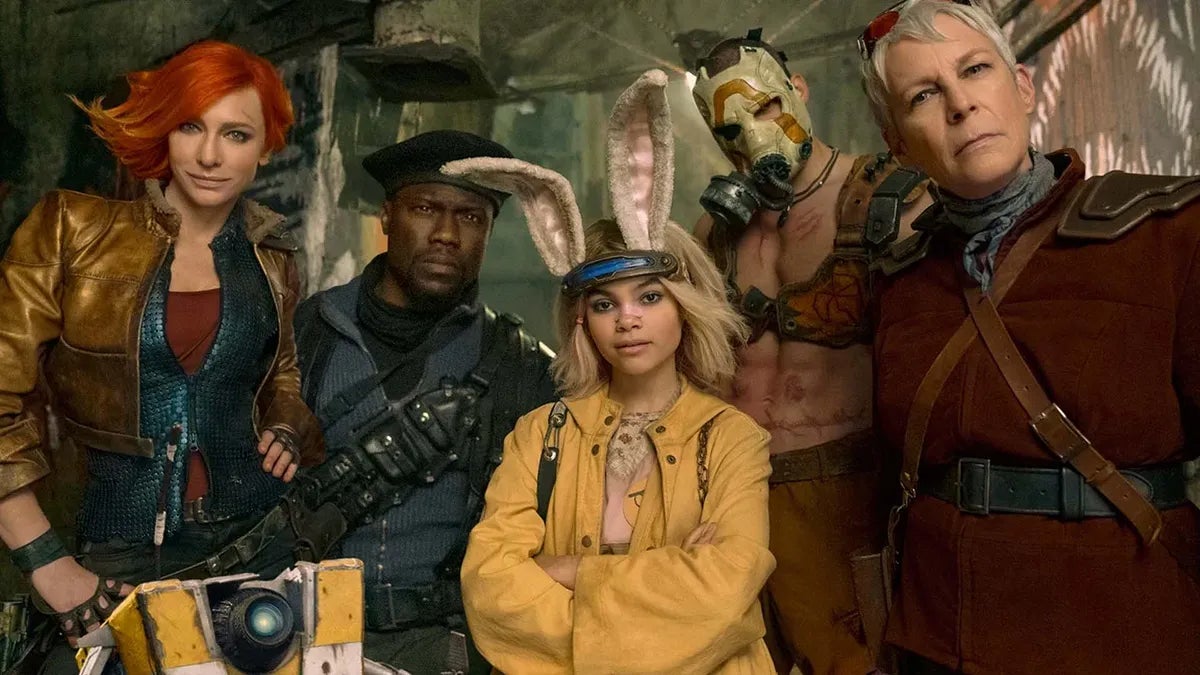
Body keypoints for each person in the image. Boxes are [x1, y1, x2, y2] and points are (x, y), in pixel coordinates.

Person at [859, 1, 1200, 673]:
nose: (961, 104)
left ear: (1022, 87)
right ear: (897, 143)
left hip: (1125, 632)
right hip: (940, 639)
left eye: (975, 70)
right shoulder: (899, 280)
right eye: (924, 94)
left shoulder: (1168, 232)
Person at [0, 40, 323, 671]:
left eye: (236, 134)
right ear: (163, 131)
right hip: (112, 558)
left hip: (261, 550)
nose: (209, 155)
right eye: (190, 127)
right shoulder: (72, 231)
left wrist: (286, 423)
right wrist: (44, 560)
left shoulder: (273, 256)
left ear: (265, 147)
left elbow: (278, 377)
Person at [455, 69, 775, 673]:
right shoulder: (539, 436)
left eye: (649, 297)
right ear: (583, 321)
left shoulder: (733, 440)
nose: (628, 320)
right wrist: (667, 582)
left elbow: (723, 593)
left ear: (685, 305)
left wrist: (568, 571)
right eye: (605, 305)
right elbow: (491, 589)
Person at [690, 28, 933, 675]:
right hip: (733, 502)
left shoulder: (888, 198)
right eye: (729, 131)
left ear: (798, 89)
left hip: (850, 503)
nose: (753, 139)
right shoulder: (715, 231)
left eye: (766, 108)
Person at [292, 129, 557, 675]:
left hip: (445, 647)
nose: (446, 235)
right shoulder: (305, 334)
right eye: (425, 208)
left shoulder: (523, 367)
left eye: (470, 217)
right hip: (301, 636)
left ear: (488, 232)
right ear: (387, 216)